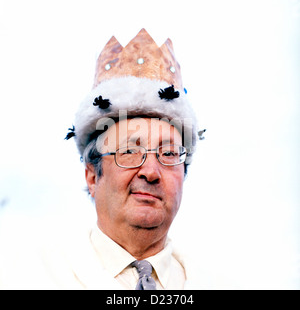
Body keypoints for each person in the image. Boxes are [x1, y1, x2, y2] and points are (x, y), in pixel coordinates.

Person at [0, 29, 209, 290]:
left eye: (168, 154)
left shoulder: (218, 284)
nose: (151, 171)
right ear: (92, 176)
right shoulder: (24, 276)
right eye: (130, 152)